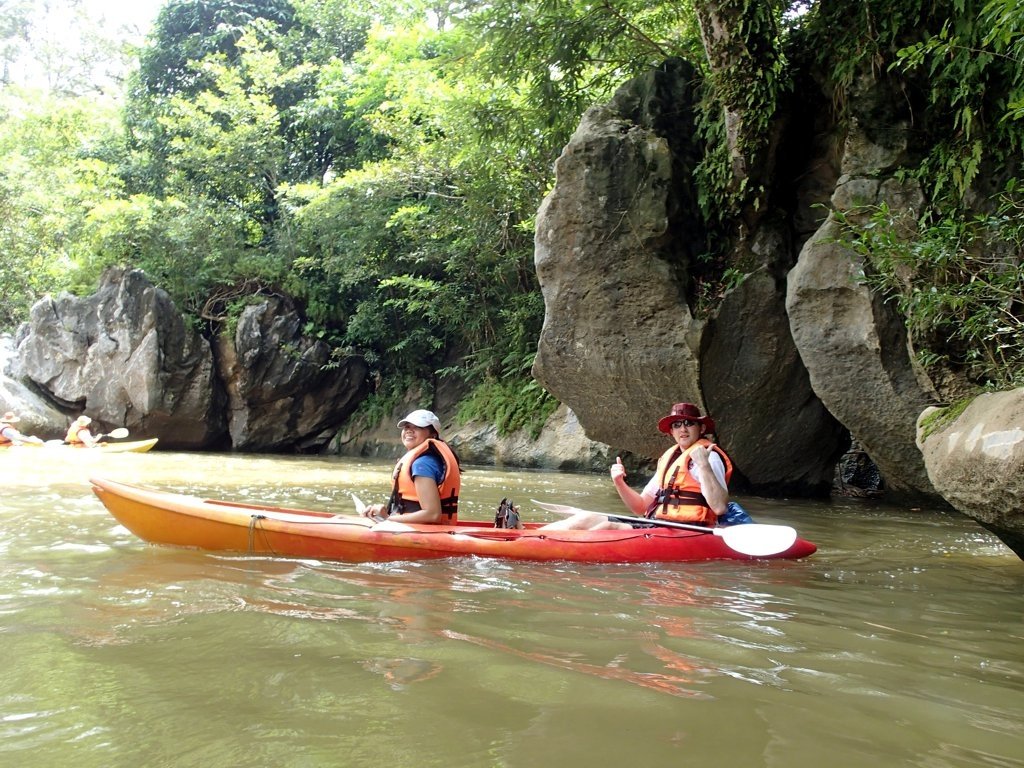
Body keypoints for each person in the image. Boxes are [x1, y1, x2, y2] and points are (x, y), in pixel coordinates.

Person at [544, 402, 750, 530]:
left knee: (607, 526)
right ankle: (525, 534)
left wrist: (703, 465)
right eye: (676, 425)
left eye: (688, 423)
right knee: (588, 517)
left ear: (701, 427)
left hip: (690, 529)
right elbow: (641, 507)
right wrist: (619, 483)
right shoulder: (670, 458)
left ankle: (537, 547)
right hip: (662, 524)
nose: (682, 429)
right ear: (672, 432)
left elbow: (719, 507)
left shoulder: (709, 456)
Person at [361, 409, 462, 525]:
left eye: (417, 427)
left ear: (432, 434)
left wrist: (386, 519)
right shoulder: (425, 460)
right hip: (426, 529)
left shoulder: (423, 464)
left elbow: (432, 514)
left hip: (426, 534)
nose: (409, 431)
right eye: (406, 427)